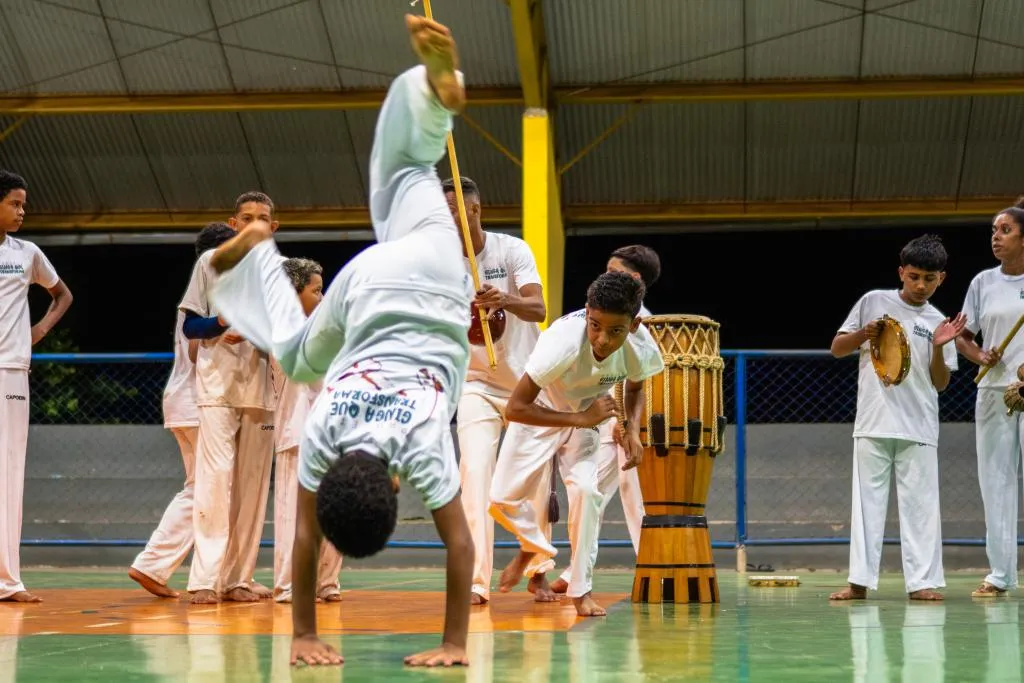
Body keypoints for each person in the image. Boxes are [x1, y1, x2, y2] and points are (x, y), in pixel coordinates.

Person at [204, 14, 475, 668]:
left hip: (441, 281)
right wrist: (300, 631)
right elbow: (303, 535)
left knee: (412, 169)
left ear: (394, 484)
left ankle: (441, 101)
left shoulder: (420, 443)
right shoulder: (324, 429)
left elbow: (461, 545)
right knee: (297, 350)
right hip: (370, 284)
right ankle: (253, 260)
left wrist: (453, 645)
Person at [489, 271, 665, 617]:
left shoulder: (641, 345)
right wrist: (580, 419)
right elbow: (516, 407)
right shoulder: (563, 342)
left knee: (587, 493)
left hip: (588, 414)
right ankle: (534, 547)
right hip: (542, 412)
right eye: (595, 325)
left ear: (633, 326)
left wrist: (630, 430)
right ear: (587, 313)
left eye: (615, 331)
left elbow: (635, 386)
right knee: (499, 499)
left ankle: (580, 590)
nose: (602, 339)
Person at [828, 234, 965, 602]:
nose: (921, 285)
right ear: (902, 272)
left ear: (942, 279)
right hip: (873, 421)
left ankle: (921, 582)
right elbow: (838, 348)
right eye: (915, 276)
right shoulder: (873, 301)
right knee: (866, 505)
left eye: (930, 279)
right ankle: (858, 582)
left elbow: (940, 382)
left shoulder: (940, 322)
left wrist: (939, 347)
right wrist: (863, 333)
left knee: (921, 507)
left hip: (919, 425)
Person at [440, 175, 547, 605]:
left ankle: (538, 567)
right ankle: (475, 580)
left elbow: (539, 307)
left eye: (454, 213)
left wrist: (503, 300)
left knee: (535, 483)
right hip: (476, 384)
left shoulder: (512, 250)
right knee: (474, 473)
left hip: (525, 382)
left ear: (475, 211)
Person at [180, 193, 280, 605]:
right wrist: (221, 323)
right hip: (217, 386)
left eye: (263, 218)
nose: (255, 223)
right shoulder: (210, 263)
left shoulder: (280, 273)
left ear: (274, 228)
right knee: (214, 482)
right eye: (246, 217)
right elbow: (191, 328)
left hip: (262, 388)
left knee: (253, 489)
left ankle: (238, 578)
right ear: (233, 222)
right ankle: (204, 579)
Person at [129, 222, 236, 598]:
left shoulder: (199, 297)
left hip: (182, 400)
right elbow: (195, 348)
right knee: (205, 490)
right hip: (196, 401)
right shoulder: (208, 301)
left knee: (201, 487)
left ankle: (156, 565)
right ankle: (152, 563)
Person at [547, 245, 659, 594]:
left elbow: (637, 380)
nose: (606, 275)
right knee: (592, 493)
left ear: (635, 278)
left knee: (633, 494)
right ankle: (576, 570)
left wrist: (631, 428)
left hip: (621, 419)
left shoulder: (642, 321)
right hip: (603, 417)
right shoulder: (604, 314)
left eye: (615, 270)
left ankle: (651, 567)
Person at [0, 170, 73, 603]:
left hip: (9, 370)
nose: (23, 211)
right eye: (15, 203)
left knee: (8, 476)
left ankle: (8, 581)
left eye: (23, 204)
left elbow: (62, 294)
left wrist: (38, 330)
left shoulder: (26, 253)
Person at [956, 205, 1024, 598]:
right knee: (995, 483)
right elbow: (963, 334)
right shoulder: (983, 282)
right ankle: (1000, 574)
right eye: (993, 230)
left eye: (1005, 229)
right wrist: (980, 355)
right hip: (994, 393)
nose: (996, 236)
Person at [271, 257, 343, 604]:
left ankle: (327, 581)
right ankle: (289, 584)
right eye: (316, 291)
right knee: (293, 515)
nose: (323, 296)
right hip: (298, 431)